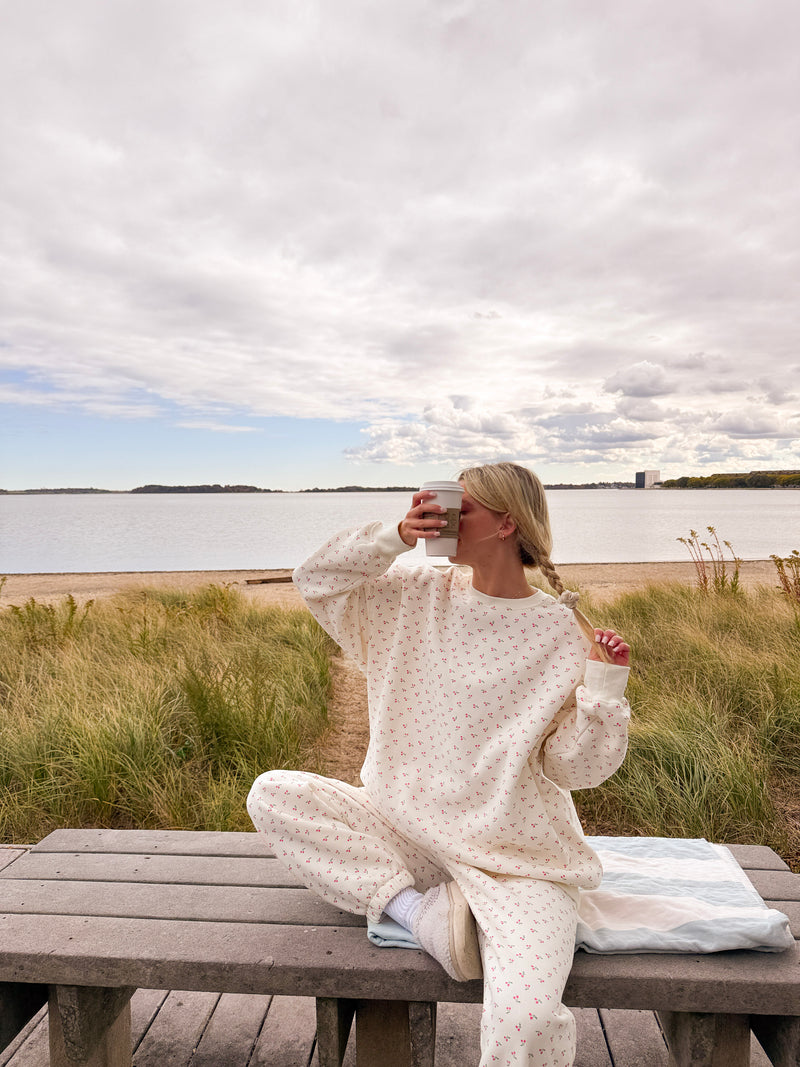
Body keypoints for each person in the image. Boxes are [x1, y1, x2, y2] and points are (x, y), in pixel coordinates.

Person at [247, 461, 631, 1067]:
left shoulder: (559, 633)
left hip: (513, 855)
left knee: (528, 1020)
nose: (442, 515)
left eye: (461, 506)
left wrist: (604, 692)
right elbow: (315, 579)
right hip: (404, 829)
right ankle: (419, 914)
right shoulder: (409, 596)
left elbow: (572, 769)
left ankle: (452, 909)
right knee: (273, 794)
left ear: (506, 524)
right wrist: (395, 537)